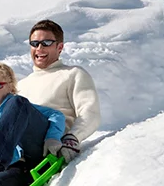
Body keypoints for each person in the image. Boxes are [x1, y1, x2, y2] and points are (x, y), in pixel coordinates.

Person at [18, 19, 101, 153]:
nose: (39, 48)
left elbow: (90, 112)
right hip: (17, 152)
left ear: (60, 47)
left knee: (16, 104)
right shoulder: (20, 85)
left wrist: (72, 138)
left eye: (46, 43)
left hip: (50, 145)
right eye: (35, 43)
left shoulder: (72, 74)